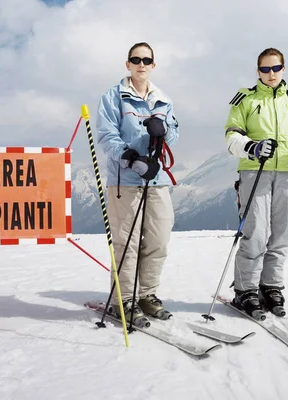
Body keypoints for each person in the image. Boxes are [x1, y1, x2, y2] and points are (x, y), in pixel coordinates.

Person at [224, 47, 288, 318]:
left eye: (275, 68)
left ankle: (271, 286)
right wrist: (252, 147)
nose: (271, 73)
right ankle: (245, 290)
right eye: (265, 69)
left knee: (281, 233)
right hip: (256, 171)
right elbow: (231, 137)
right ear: (258, 71)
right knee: (255, 232)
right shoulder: (246, 100)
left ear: (283, 69)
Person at [96, 42, 179, 324]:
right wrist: (131, 158)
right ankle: (125, 299)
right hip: (126, 181)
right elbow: (107, 136)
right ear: (128, 64)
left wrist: (164, 130)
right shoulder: (113, 97)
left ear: (153, 65)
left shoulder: (163, 100)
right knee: (126, 242)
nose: (141, 64)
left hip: (156, 180)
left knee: (159, 240)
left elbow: (175, 134)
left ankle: (147, 294)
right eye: (136, 59)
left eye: (146, 60)